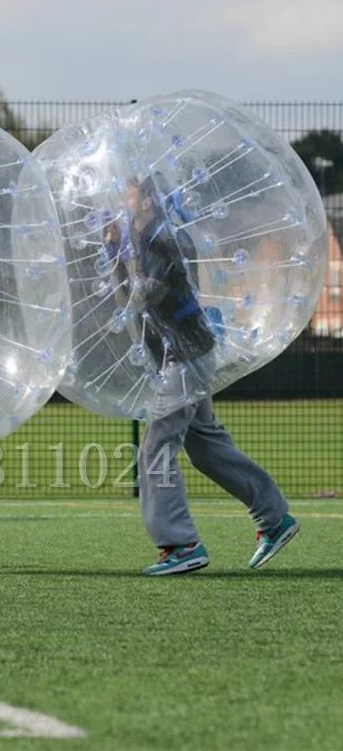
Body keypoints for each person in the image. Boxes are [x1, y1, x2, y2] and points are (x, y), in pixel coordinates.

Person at [114, 177, 298, 575]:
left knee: (156, 449)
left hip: (186, 354)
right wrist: (114, 250)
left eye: (128, 192)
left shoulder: (165, 236)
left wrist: (127, 264)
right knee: (206, 446)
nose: (122, 200)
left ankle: (180, 544)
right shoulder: (137, 236)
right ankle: (274, 516)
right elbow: (129, 298)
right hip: (183, 354)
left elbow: (151, 292)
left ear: (146, 197)